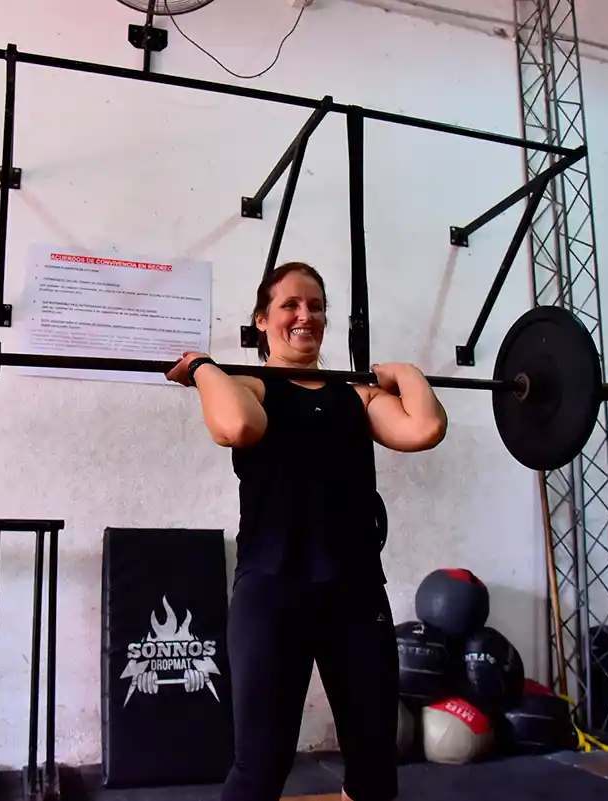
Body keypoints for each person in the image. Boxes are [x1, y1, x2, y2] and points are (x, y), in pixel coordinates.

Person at [165, 261, 448, 801]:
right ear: (262, 319)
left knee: (374, 767)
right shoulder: (250, 387)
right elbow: (237, 427)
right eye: (290, 305)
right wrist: (203, 366)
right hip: (273, 594)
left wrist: (403, 371)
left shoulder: (357, 395)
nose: (305, 315)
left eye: (316, 306)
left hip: (356, 596)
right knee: (261, 769)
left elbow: (425, 427)